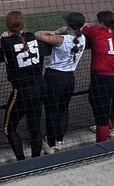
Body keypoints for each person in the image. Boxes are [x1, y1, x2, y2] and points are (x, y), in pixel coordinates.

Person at [0, 10, 47, 160]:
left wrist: (1, 35)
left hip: (21, 92)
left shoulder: (5, 42)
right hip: (39, 89)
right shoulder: (31, 36)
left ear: (7, 26)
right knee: (35, 129)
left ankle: (21, 161)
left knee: (9, 128)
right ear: (24, 24)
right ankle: (36, 162)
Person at [35, 13, 86, 152]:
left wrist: (55, 32)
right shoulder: (82, 38)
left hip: (54, 78)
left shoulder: (60, 39)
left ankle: (51, 143)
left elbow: (37, 35)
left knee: (51, 111)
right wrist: (64, 30)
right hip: (70, 78)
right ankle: (59, 140)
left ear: (69, 25)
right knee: (63, 109)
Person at [81, 10, 114, 142]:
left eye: (97, 21)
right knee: (94, 99)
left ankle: (102, 146)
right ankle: (110, 128)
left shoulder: (96, 32)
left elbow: (80, 26)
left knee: (101, 117)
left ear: (102, 23)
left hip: (103, 80)